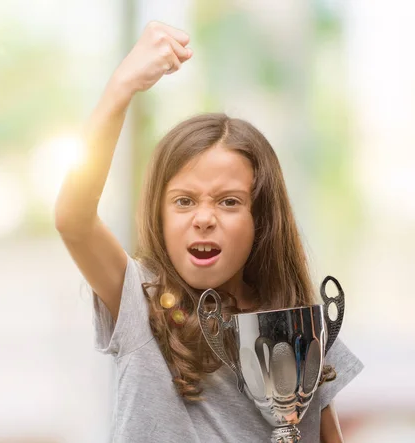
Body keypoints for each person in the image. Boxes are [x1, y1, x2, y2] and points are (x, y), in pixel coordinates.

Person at [55, 21, 363, 443]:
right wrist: (121, 87)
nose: (204, 218)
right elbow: (73, 220)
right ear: (159, 216)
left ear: (262, 220)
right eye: (184, 201)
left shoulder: (300, 325)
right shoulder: (140, 300)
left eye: (229, 202)